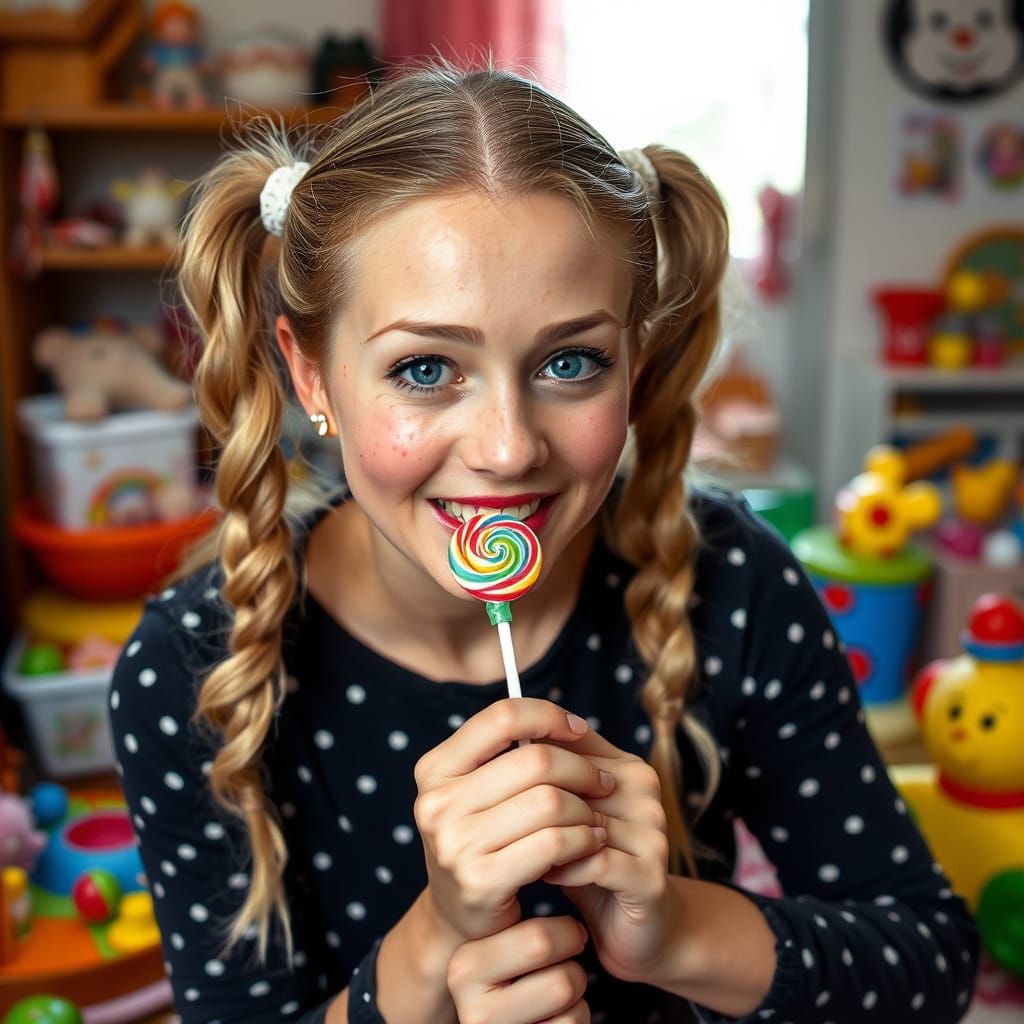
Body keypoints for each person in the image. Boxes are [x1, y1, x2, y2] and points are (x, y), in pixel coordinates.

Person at [109, 62, 979, 1024]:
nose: (509, 446)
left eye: (571, 362)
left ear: (633, 364)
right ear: (311, 375)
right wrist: (431, 949)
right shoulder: (192, 670)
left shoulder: (730, 583)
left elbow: (927, 962)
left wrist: (677, 933)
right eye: (426, 366)